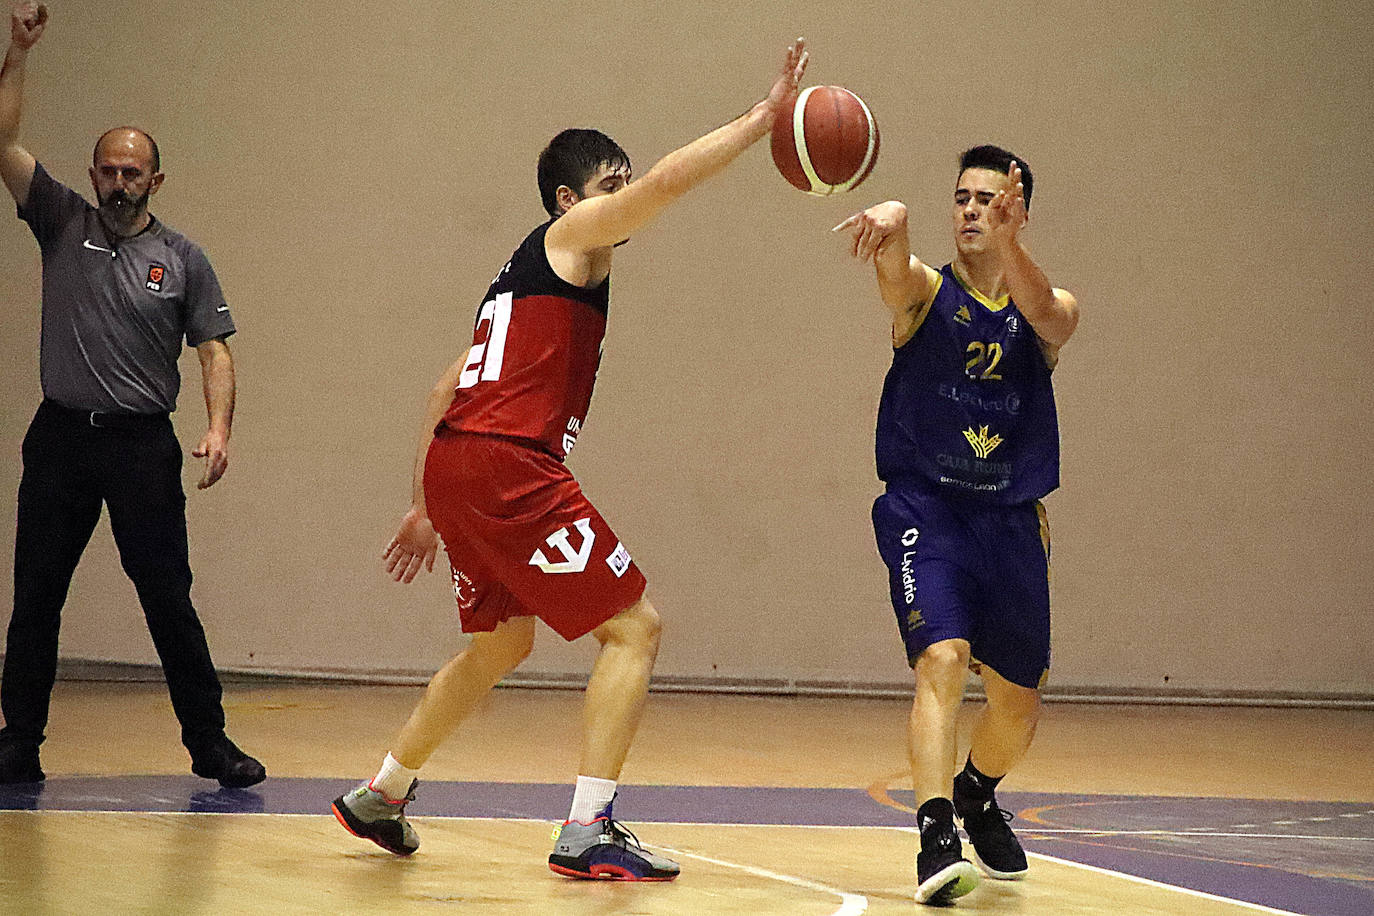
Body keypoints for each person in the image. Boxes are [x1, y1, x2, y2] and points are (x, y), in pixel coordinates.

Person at [330, 40, 809, 881]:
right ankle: (588, 828)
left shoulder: (522, 277)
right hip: (510, 465)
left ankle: (383, 791)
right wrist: (762, 119)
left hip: (461, 464)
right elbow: (667, 182)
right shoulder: (569, 238)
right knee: (635, 629)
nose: (622, 200)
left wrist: (423, 503)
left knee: (499, 645)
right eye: (608, 186)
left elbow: (444, 384)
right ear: (569, 198)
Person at [0, 2, 264, 789]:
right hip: (61, 439)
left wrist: (218, 429)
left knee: (167, 599)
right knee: (36, 596)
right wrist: (17, 55)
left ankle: (211, 745)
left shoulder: (183, 259)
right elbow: (5, 143)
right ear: (92, 176)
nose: (117, 183)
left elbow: (215, 350)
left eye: (131, 172)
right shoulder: (60, 221)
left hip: (141, 446)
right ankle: (19, 742)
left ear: (155, 178)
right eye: (107, 171)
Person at [834, 145, 1079, 905]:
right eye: (962, 199)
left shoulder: (1049, 308)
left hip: (1008, 520)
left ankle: (976, 791)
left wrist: (1012, 248)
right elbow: (895, 274)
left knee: (1017, 702)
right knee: (942, 657)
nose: (972, 209)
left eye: (988, 199)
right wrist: (894, 220)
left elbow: (1047, 316)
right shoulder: (925, 295)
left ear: (1019, 212)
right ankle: (936, 830)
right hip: (927, 508)